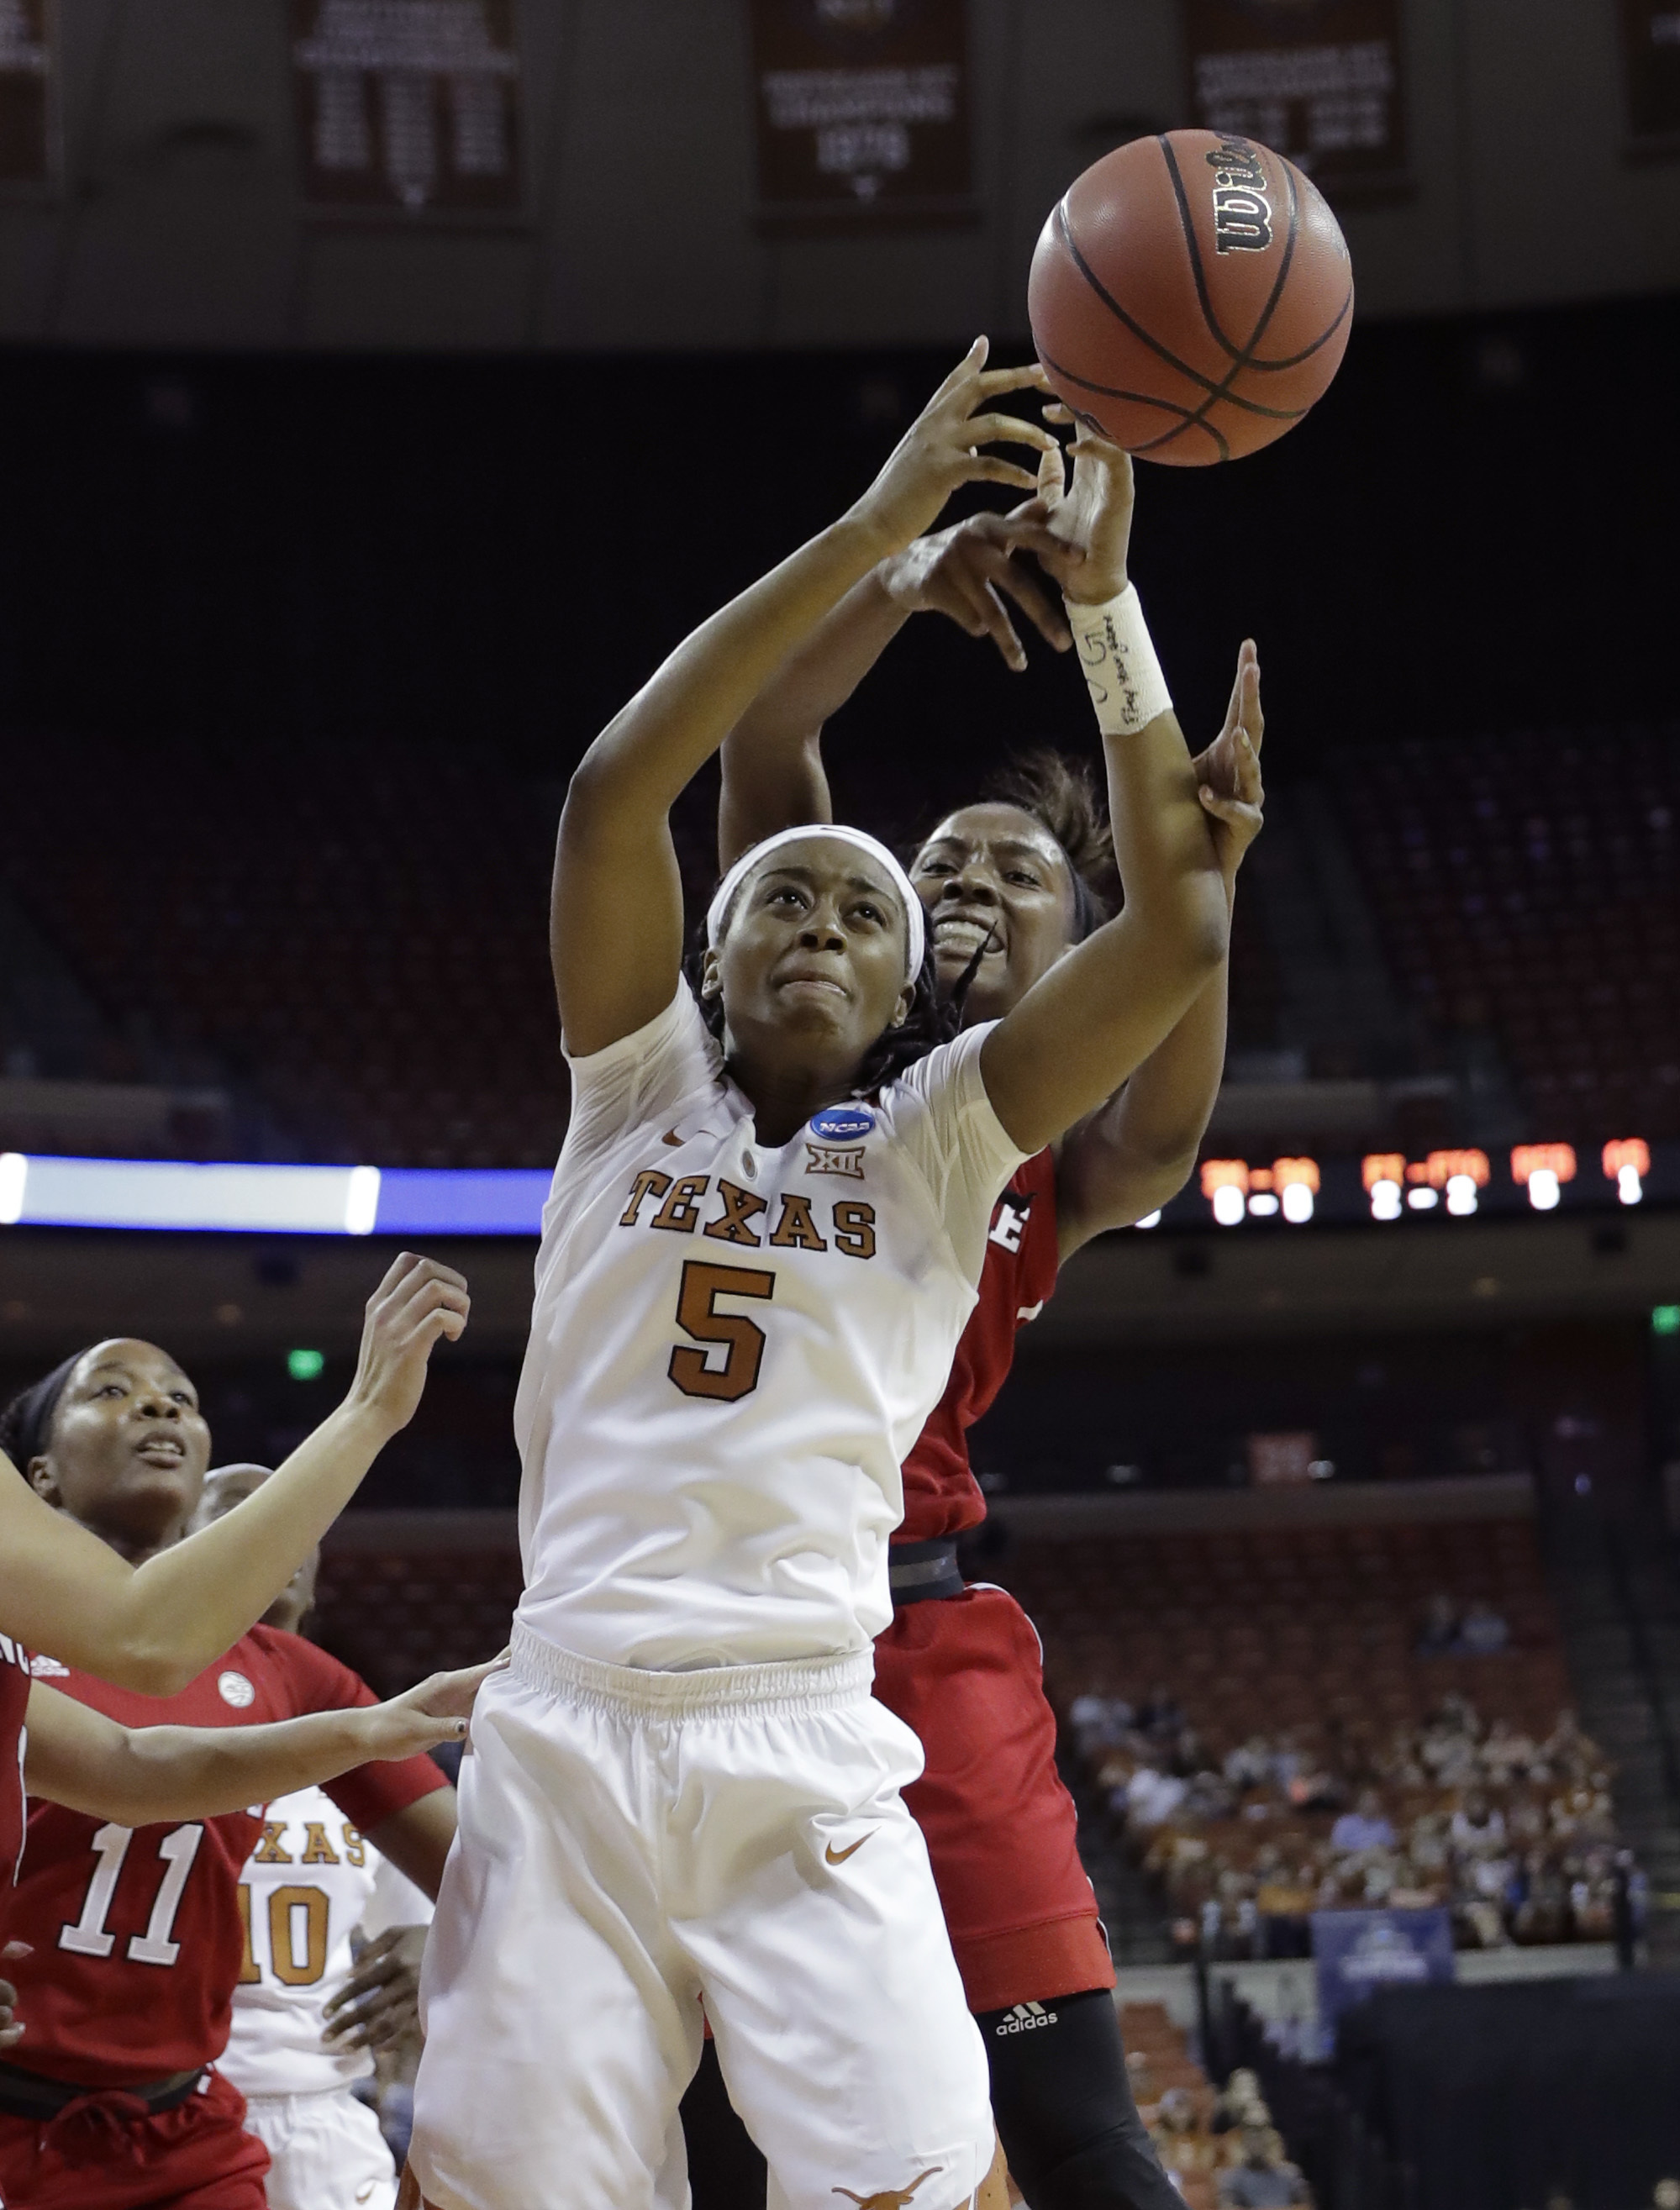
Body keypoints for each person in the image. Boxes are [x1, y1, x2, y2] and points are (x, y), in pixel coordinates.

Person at [406, 339, 1235, 2210]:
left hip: (816, 1705)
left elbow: (1178, 921)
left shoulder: (948, 1135)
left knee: (936, 2172)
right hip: (568, 1717)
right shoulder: (633, 1089)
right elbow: (629, 784)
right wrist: (878, 533)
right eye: (791, 889)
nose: (836, 915)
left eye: (871, 908)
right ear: (711, 956)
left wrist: (1107, 616)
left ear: (902, 999)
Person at [682, 398, 1263, 2207]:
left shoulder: (1042, 1144)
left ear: (1080, 947)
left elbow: (1165, 1074)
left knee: (1076, 2126)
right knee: (714, 2144)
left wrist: (1188, 859)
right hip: (703, 1644)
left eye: (1016, 872)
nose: (957, 878)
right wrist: (900, 571)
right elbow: (771, 732)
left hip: (921, 1639)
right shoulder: (778, 1029)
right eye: (935, 858)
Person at [0, 1318, 475, 2210]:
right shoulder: (11, 1646)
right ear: (39, 1478)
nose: (157, 1404)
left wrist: (442, 1951)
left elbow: (481, 1873)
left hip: (186, 2125)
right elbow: (137, 1765)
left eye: (183, 1395)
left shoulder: (285, 1667)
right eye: (110, 1389)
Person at [196, 1465, 435, 2210]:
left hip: (328, 2113)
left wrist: (438, 1947)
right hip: (173, 2107)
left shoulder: (369, 1753)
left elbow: (441, 1915)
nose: (280, 1535)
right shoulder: (127, 1742)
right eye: (241, 1512)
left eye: (299, 1525)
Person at [1330, 1791, 1395, 1856]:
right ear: (1360, 1803)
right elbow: (1337, 1847)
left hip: (1376, 1860)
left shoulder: (1384, 1825)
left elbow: (1390, 1848)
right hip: (1350, 1859)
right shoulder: (1345, 1823)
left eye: (1374, 1802)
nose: (1371, 1805)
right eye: (1368, 1801)